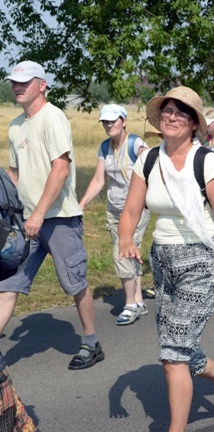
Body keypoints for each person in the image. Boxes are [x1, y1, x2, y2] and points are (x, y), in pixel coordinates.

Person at [118, 86, 214, 429]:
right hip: (163, 261)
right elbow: (131, 210)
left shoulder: (207, 161)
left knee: (172, 356)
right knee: (180, 346)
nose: (172, 116)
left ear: (195, 123)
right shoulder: (149, 159)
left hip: (203, 261)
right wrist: (126, 239)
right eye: (167, 110)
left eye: (182, 112)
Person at [0, 61, 103, 370]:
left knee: (74, 282)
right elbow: (15, 173)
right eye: (14, 82)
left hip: (58, 219)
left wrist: (40, 214)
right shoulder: (16, 125)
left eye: (25, 82)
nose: (18, 87)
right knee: (8, 284)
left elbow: (61, 168)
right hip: (24, 223)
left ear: (42, 85)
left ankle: (91, 343)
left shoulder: (53, 118)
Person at [79, 104, 151, 325]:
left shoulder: (135, 143)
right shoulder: (104, 147)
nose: (109, 125)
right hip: (114, 209)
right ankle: (139, 301)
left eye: (113, 120)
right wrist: (81, 204)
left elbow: (152, 166)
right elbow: (99, 180)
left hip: (136, 209)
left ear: (124, 121)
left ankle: (129, 304)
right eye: (105, 122)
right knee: (131, 255)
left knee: (121, 253)